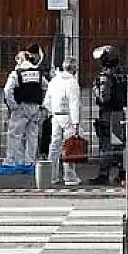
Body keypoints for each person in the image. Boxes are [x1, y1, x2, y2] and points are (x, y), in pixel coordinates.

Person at [3, 50, 47, 171]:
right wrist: (42, 103)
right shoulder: (38, 73)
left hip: (21, 107)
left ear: (20, 60)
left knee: (14, 135)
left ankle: (10, 161)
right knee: (32, 136)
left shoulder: (16, 73)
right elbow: (46, 87)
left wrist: (13, 106)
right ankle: (30, 162)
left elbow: (7, 91)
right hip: (35, 107)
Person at [43, 58, 82, 186]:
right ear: (74, 69)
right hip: (68, 116)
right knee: (69, 146)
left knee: (54, 146)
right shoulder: (72, 82)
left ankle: (51, 176)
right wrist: (76, 122)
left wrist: (52, 111)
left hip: (56, 115)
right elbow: (74, 103)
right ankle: (69, 176)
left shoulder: (54, 81)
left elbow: (47, 101)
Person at [91, 44, 127, 185]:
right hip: (119, 112)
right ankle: (122, 173)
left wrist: (95, 89)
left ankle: (104, 174)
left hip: (107, 113)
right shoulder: (121, 75)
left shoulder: (105, 77)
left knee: (106, 145)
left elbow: (103, 97)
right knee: (118, 144)